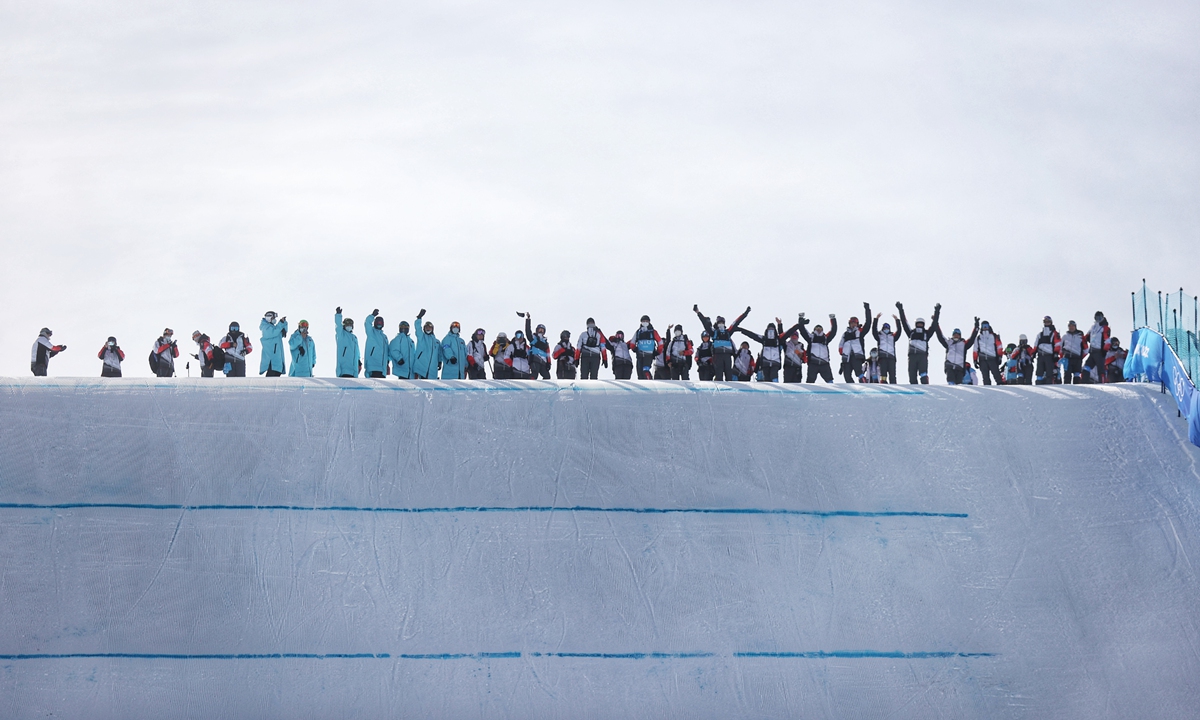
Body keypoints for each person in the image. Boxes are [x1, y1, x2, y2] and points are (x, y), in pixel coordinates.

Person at [694, 305, 750, 381]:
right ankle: (720, 387)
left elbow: (736, 322)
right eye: (719, 323)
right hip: (718, 355)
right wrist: (698, 312)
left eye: (722, 322)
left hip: (727, 355)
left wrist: (745, 313)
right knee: (719, 373)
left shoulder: (728, 332)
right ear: (717, 324)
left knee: (728, 372)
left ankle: (730, 387)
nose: (721, 324)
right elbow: (705, 324)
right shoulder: (714, 333)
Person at [897, 302, 941, 384]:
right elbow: (904, 322)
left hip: (922, 356)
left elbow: (934, 324)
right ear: (916, 324)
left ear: (923, 325)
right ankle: (914, 390)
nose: (920, 325)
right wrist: (900, 309)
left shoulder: (927, 334)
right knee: (912, 374)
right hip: (912, 356)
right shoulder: (911, 333)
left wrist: (937, 311)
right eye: (918, 324)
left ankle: (925, 387)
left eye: (921, 324)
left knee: (923, 373)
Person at [737, 318, 789, 383]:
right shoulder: (764, 339)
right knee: (766, 379)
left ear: (775, 330)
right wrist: (741, 330)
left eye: (772, 329)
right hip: (765, 362)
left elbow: (784, 335)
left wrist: (780, 325)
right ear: (767, 330)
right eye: (769, 329)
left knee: (774, 376)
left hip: (775, 362)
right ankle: (767, 390)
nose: (771, 331)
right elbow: (752, 335)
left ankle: (776, 390)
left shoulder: (778, 340)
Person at [936, 319, 979, 385]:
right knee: (951, 382)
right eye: (955, 334)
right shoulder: (948, 343)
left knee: (959, 384)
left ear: (960, 335)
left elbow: (972, 338)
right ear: (952, 335)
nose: (956, 336)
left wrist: (976, 327)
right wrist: (936, 322)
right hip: (950, 366)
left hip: (960, 367)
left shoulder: (964, 344)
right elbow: (940, 336)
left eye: (958, 334)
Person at [798, 313, 838, 383]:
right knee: (810, 381)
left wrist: (833, 319)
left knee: (830, 381)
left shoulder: (825, 339)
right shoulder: (811, 338)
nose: (819, 330)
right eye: (817, 329)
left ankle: (834, 394)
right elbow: (802, 331)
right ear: (814, 330)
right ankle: (808, 394)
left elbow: (833, 331)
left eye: (820, 329)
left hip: (824, 363)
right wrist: (801, 318)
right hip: (813, 363)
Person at [838, 303, 872, 383]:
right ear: (849, 324)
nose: (853, 324)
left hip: (857, 355)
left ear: (857, 324)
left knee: (858, 372)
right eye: (851, 323)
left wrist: (867, 310)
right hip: (847, 356)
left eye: (855, 323)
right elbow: (840, 344)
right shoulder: (845, 334)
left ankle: (863, 382)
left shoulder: (860, 331)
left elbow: (868, 323)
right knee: (846, 374)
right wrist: (842, 353)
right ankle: (852, 388)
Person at [871, 313, 902, 384]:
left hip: (891, 357)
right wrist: (876, 319)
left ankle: (894, 386)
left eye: (887, 328)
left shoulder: (892, 336)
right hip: (882, 357)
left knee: (892, 375)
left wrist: (897, 320)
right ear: (882, 328)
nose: (886, 329)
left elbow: (899, 331)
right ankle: (883, 385)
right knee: (883, 374)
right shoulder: (879, 335)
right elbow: (873, 330)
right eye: (885, 328)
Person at [630, 315, 663, 380]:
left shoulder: (653, 332)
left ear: (649, 322)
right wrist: (634, 348)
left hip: (649, 355)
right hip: (640, 355)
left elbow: (660, 342)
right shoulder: (638, 332)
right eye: (643, 321)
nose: (645, 322)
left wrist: (658, 351)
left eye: (646, 321)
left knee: (645, 370)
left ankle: (649, 382)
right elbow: (632, 342)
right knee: (639, 372)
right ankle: (643, 386)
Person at [412, 310, 442, 380]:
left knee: (431, 388)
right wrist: (419, 318)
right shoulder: (421, 337)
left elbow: (439, 353)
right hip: (421, 368)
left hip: (432, 370)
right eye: (426, 328)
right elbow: (418, 329)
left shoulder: (437, 342)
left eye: (430, 328)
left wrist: (440, 362)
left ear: (432, 329)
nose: (428, 329)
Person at [973, 320, 1004, 385]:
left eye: (986, 326)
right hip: (982, 359)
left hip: (992, 358)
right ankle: (988, 389)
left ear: (989, 326)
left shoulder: (994, 336)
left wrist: (1000, 356)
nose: (985, 328)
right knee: (985, 376)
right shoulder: (979, 338)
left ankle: (1001, 386)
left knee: (996, 374)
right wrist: (975, 360)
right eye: (983, 326)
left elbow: (999, 347)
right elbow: (975, 349)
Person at [1033, 316, 1062, 385]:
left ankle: (1049, 384)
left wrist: (1056, 353)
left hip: (1049, 355)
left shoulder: (1054, 333)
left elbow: (1058, 343)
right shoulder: (1040, 334)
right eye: (1045, 322)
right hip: (1040, 355)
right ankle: (1038, 385)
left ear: (1051, 322)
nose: (1046, 323)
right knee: (1039, 372)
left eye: (1048, 321)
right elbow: (1035, 344)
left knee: (1049, 372)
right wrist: (1033, 353)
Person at [258, 311, 288, 377]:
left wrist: (284, 324)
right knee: (270, 377)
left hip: (277, 357)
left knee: (277, 374)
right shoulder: (265, 328)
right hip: (271, 359)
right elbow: (274, 332)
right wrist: (281, 323)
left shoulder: (274, 328)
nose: (275, 319)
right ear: (269, 318)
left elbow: (280, 334)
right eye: (273, 317)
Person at [1085, 311, 1111, 383]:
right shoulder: (1093, 327)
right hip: (1092, 350)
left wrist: (1105, 350)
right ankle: (1084, 382)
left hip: (1100, 351)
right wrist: (1086, 338)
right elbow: (1087, 335)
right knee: (1086, 367)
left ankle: (1102, 383)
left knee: (1100, 369)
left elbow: (1107, 340)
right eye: (1097, 318)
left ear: (1103, 318)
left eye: (1100, 317)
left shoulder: (1105, 328)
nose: (1098, 319)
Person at [334, 307, 360, 378]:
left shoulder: (354, 338)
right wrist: (338, 315)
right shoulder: (341, 334)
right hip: (343, 370)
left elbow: (357, 351)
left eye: (350, 325)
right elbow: (338, 326)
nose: (349, 326)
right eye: (347, 325)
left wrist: (358, 360)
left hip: (353, 370)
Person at [524, 314, 552, 380]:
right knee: (534, 374)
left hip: (543, 361)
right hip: (535, 359)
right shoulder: (534, 338)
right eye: (539, 329)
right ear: (537, 330)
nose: (541, 331)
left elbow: (548, 354)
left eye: (542, 330)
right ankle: (530, 386)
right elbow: (528, 332)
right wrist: (528, 320)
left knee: (547, 376)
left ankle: (544, 389)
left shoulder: (545, 342)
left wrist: (549, 363)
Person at [1060, 320, 1088, 384]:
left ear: (1075, 327)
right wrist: (1062, 357)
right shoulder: (1065, 336)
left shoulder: (1081, 336)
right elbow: (1060, 348)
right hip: (1067, 358)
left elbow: (1086, 349)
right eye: (1070, 326)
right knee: (1067, 374)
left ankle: (1076, 389)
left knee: (1077, 375)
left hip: (1077, 358)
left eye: (1072, 326)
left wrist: (1081, 357)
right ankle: (1067, 389)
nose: (1071, 327)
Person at [364, 310, 390, 378]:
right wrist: (372, 316)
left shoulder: (384, 337)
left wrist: (387, 363)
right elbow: (367, 323)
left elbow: (387, 352)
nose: (379, 324)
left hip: (382, 369)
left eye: (381, 322)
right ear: (375, 323)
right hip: (373, 366)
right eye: (378, 322)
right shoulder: (371, 333)